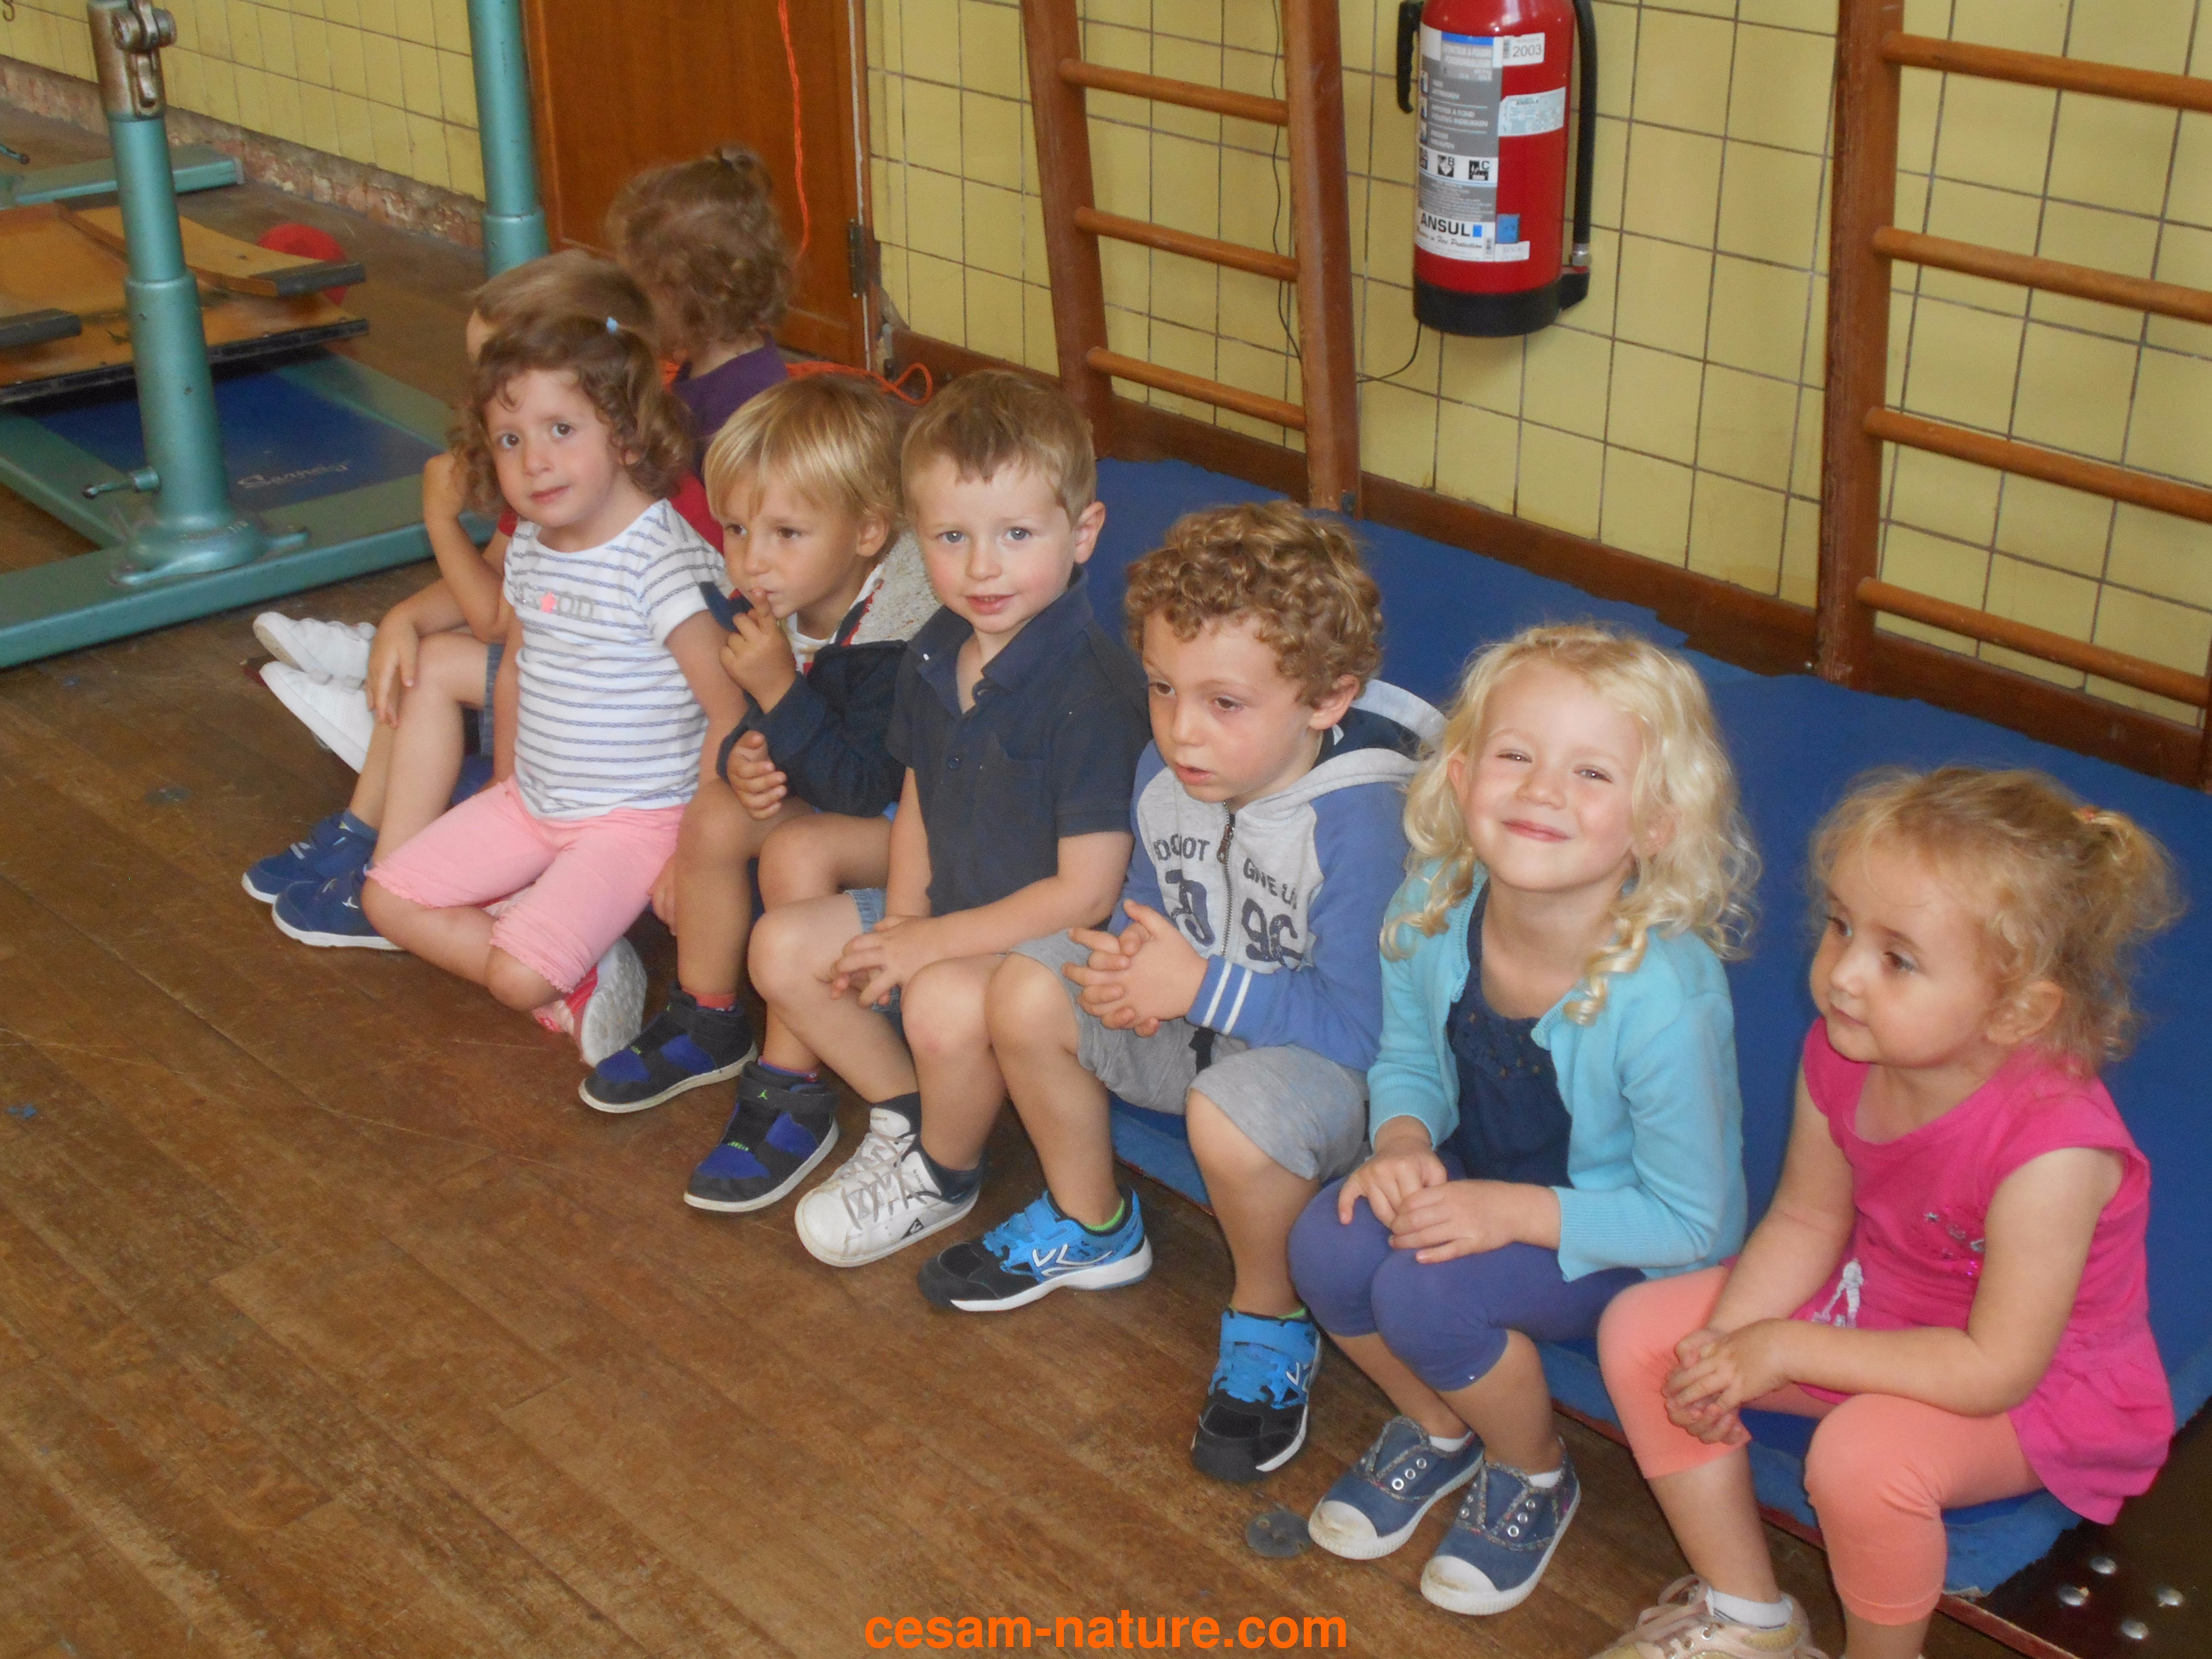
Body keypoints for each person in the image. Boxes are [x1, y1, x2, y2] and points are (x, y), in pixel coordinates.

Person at [1590, 767, 2178, 1659]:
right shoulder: (1842, 1050)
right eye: (1840, 925)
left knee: (1860, 1457)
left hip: (2032, 1388)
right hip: (1880, 1305)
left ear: (2016, 1011)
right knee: (1646, 1334)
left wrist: (1782, 1348)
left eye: (1897, 959)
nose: (1843, 975)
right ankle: (1748, 1613)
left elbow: (1994, 1368)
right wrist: (1727, 1345)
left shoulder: (2053, 1152)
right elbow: (1803, 1222)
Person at [914, 501, 1437, 1486]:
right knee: (1027, 986)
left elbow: (1367, 1036)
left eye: (1224, 703)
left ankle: (1270, 1312)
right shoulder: (1165, 767)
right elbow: (1153, 898)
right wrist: (1129, 968)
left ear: (1327, 699)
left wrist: (1202, 985)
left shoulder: (1362, 823)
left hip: (1329, 1077)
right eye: (1161, 687)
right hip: (1197, 1019)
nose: (1181, 730)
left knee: (1230, 1115)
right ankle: (1091, 1224)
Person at [1287, 624, 1758, 1616]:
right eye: (1515, 756)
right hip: (1482, 1177)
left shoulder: (1664, 999)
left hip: (1616, 1235)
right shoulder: (1432, 902)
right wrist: (1401, 1140)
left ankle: (1531, 1471)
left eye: (1591, 772)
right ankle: (1439, 1425)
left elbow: (1695, 1223)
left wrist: (1509, 1214)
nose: (1543, 790)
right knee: (1327, 1243)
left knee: (1427, 1294)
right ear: (1461, 778)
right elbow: (1409, 1061)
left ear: (1656, 824)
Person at [744, 369, 1152, 1234]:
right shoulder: (934, 647)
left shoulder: (1094, 692)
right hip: (951, 916)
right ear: (914, 536)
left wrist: (928, 945)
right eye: (951, 536)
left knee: (936, 999)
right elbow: (920, 795)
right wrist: (899, 921)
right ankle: (906, 1110)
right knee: (779, 947)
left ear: (1082, 533)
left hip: (1042, 952)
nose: (981, 567)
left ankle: (943, 1170)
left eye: (1015, 534)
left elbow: (1084, 895)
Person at [247, 253, 726, 947]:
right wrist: (405, 616)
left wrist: (440, 521)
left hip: (625, 733)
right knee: (426, 652)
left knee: (434, 664)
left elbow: (494, 618)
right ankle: (369, 835)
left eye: (500, 366)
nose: (486, 395)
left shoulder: (609, 492)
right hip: (570, 691)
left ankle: (380, 833)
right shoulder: (551, 472)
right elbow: (507, 584)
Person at [358, 308, 739, 1063]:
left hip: (635, 822)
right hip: (535, 801)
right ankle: (576, 962)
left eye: (561, 429)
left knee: (514, 980)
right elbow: (518, 665)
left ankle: (566, 969)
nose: (535, 461)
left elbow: (730, 711)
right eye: (510, 439)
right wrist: (506, 784)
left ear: (627, 437)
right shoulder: (534, 539)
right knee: (385, 899)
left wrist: (692, 852)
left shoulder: (663, 565)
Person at [578, 376, 934, 1165]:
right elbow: (761, 724)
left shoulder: (901, 636)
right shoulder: (782, 597)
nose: (753, 559)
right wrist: (745, 755)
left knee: (797, 850)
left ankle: (791, 1077)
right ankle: (708, 1016)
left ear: (868, 531)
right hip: (842, 795)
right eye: (737, 529)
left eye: (786, 533)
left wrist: (776, 691)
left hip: (916, 831)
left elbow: (863, 788)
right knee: (714, 812)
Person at [606, 145, 792, 462]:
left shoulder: (740, 402)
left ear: (691, 297)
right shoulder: (709, 360)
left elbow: (726, 492)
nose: (631, 305)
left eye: (640, 291)